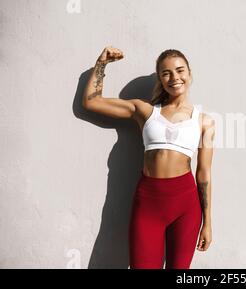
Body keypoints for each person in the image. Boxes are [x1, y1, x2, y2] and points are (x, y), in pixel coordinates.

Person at [82, 46, 215, 269]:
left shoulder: (204, 121)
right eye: (166, 73)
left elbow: (204, 174)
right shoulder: (145, 111)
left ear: (190, 74)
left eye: (180, 70)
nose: (174, 77)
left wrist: (208, 223)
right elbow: (91, 102)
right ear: (161, 80)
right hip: (148, 202)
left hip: (186, 206)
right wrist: (101, 63)